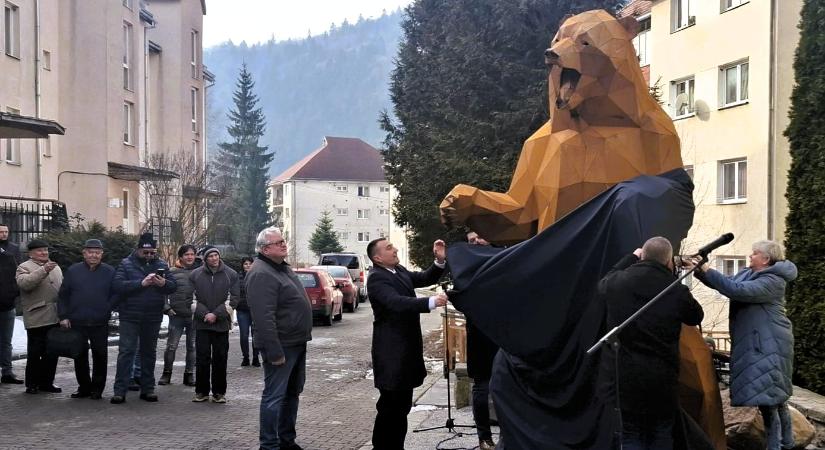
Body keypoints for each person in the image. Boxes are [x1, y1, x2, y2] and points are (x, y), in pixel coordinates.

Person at [688, 240, 796, 450]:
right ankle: (786, 443)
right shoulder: (751, 273)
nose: (750, 256)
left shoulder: (773, 281)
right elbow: (726, 284)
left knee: (772, 401)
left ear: (765, 259)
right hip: (762, 344)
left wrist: (707, 269)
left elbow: (737, 290)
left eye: (754, 253)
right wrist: (700, 271)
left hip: (769, 345)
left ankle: (778, 446)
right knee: (774, 399)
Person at [597, 237, 704, 450]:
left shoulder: (619, 282)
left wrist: (630, 258)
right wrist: (673, 275)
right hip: (662, 376)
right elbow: (695, 316)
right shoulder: (674, 290)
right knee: (661, 433)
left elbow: (603, 283)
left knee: (631, 433)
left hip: (626, 375)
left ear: (642, 256)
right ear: (668, 261)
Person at [366, 237, 448, 450]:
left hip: (406, 350)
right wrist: (430, 302)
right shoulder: (377, 278)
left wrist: (439, 262)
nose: (394, 250)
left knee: (401, 407)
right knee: (389, 406)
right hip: (391, 352)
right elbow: (395, 303)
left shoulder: (398, 270)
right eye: (389, 248)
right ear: (377, 257)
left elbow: (423, 278)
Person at [246, 227, 312, 450]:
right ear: (265, 249)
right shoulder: (261, 273)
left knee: (292, 393)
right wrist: (274, 352)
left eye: (284, 241)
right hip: (281, 345)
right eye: (279, 242)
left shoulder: (281, 268)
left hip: (296, 341)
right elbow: (264, 318)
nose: (284, 244)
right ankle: (269, 445)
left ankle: (286, 440)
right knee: (274, 396)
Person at [110, 232, 176, 404]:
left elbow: (173, 286)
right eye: (145, 252)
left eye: (152, 252)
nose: (149, 255)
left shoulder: (161, 264)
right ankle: (120, 391)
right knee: (126, 352)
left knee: (149, 353)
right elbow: (117, 286)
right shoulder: (126, 264)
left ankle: (148, 389)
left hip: (152, 316)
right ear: (138, 250)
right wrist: (141, 284)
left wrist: (164, 284)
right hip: (130, 315)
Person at [57, 239, 115, 400]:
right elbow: (63, 295)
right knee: (79, 355)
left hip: (99, 321)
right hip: (77, 321)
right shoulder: (73, 271)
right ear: (84, 253)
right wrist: (63, 316)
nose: (94, 255)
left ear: (102, 254)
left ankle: (97, 389)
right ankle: (84, 387)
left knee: (100, 355)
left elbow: (116, 293)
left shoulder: (110, 271)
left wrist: (108, 307)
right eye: (90, 252)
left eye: (97, 252)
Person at [190, 246, 239, 403]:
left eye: (216, 255)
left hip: (221, 324)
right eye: (210, 256)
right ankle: (201, 392)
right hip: (202, 323)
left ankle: (219, 392)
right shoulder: (195, 275)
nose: (214, 258)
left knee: (220, 358)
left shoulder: (231, 274)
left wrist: (216, 314)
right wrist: (205, 314)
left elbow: (234, 298)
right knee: (202, 358)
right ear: (205, 259)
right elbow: (190, 298)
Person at [15, 239, 63, 394]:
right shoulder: (23, 267)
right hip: (37, 317)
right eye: (40, 250)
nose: (44, 253)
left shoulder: (55, 267)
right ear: (30, 253)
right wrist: (43, 270)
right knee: (35, 353)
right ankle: (32, 384)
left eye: (45, 250)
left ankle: (47, 382)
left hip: (54, 316)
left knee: (52, 352)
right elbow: (25, 284)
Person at [464, 231, 498, 450]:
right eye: (471, 240)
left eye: (479, 237)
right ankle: (484, 438)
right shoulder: (467, 266)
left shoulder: (504, 256)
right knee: (481, 385)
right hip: (479, 333)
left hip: (504, 331)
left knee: (509, 384)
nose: (475, 242)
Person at [159, 244, 200, 387]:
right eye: (186, 254)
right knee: (171, 346)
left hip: (194, 316)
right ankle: (166, 373)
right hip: (176, 315)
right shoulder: (171, 272)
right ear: (180, 257)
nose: (189, 257)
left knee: (192, 346)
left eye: (192, 254)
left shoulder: (200, 272)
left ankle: (189, 375)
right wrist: (166, 308)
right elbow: (163, 291)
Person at [0, 223, 23, 384]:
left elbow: (19, 272)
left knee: (6, 341)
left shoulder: (13, 250)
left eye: (6, 231)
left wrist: (14, 294)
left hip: (7, 303)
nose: (3, 234)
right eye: (0, 232)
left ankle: (7, 372)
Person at [236, 256, 260, 367]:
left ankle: (256, 358)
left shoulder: (258, 276)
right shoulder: (238, 277)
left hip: (255, 310)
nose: (248, 266)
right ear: (242, 265)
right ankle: (245, 357)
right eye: (245, 264)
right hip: (242, 310)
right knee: (244, 335)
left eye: (250, 264)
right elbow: (235, 293)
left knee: (256, 335)